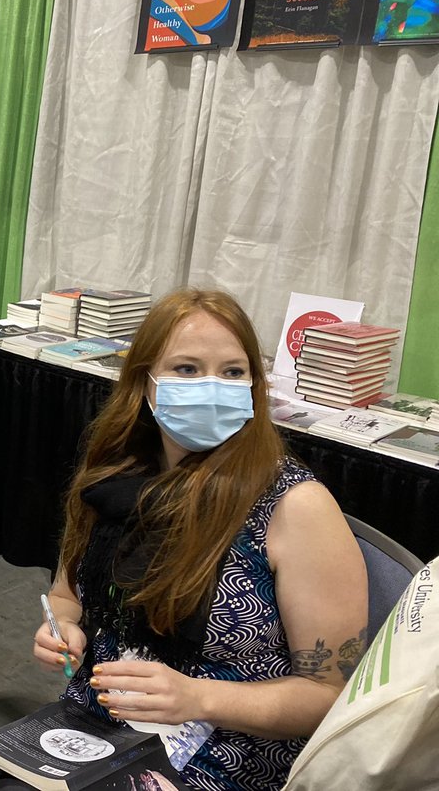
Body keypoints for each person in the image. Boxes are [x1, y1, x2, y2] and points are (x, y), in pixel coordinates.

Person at [32, 288, 367, 791]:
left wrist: (198, 697)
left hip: (222, 756)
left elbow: (329, 694)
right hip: (99, 727)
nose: (211, 386)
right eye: (186, 369)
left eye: (233, 372)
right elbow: (64, 597)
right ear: (144, 384)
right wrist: (64, 631)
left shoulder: (293, 506)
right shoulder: (112, 482)